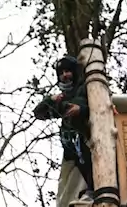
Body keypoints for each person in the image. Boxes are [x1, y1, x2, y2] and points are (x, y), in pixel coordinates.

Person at [34, 55, 93, 192]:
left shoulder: (87, 88)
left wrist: (81, 110)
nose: (64, 75)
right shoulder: (62, 99)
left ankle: (93, 189)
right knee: (81, 164)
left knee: (89, 162)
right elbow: (39, 113)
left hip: (89, 138)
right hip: (73, 147)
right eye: (61, 73)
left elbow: (101, 107)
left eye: (67, 71)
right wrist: (50, 99)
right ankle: (90, 189)